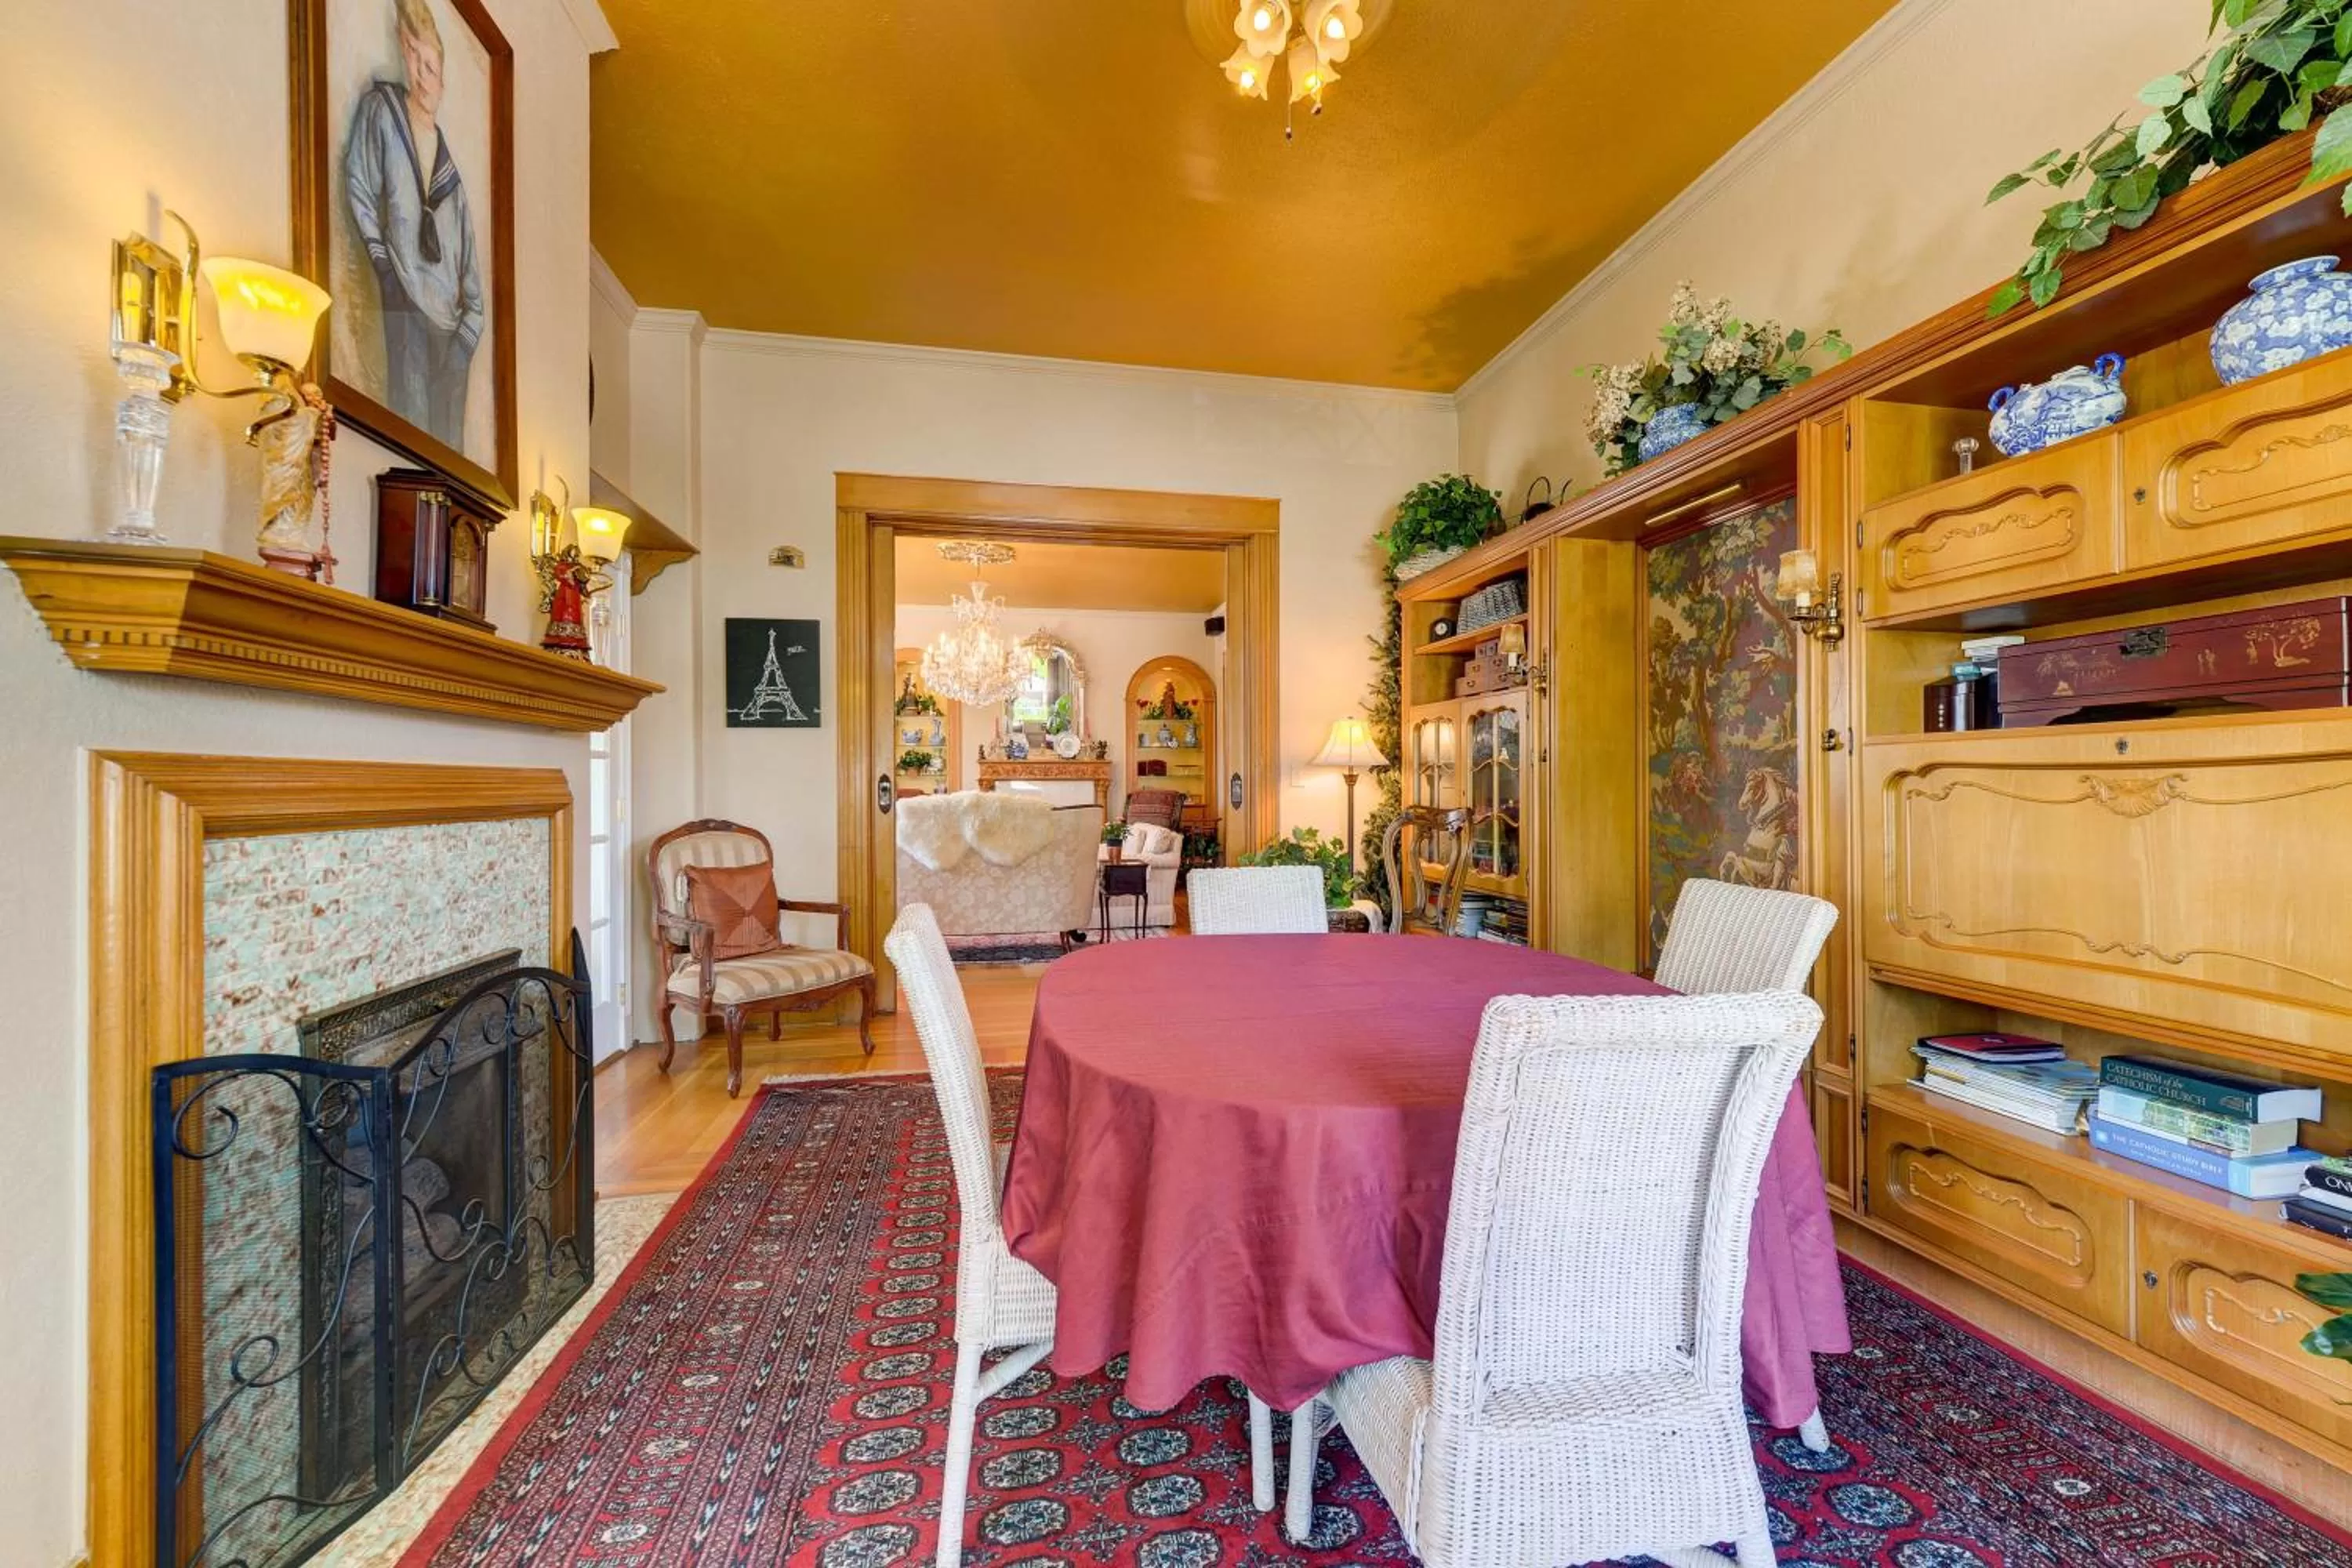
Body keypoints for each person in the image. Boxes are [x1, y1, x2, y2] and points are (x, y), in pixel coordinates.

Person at [344, 0, 484, 449]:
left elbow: (473, 287)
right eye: (418, 63)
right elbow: (359, 187)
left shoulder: (454, 184)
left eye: (434, 68)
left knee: (444, 451)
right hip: (403, 298)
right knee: (408, 442)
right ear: (405, 54)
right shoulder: (382, 113)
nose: (426, 79)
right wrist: (384, 268)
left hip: (448, 329)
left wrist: (464, 341)